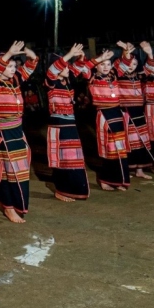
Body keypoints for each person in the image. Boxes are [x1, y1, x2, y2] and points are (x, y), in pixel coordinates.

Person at [0, 40, 40, 223]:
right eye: (9, 66)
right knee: (6, 171)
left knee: (20, 170)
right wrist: (8, 54)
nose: (13, 69)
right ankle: (8, 207)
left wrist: (30, 55)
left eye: (14, 66)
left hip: (17, 130)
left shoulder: (14, 80)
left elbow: (30, 66)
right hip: (3, 131)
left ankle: (16, 205)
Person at [44, 43, 92, 201]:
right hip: (59, 125)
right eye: (64, 66)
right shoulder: (50, 82)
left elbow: (80, 68)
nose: (67, 68)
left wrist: (82, 57)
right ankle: (61, 190)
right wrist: (70, 54)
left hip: (70, 124)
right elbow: (53, 71)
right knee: (62, 159)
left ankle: (74, 190)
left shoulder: (68, 81)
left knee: (74, 158)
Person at [88, 49, 132, 190]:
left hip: (117, 113)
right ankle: (105, 180)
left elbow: (125, 64)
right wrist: (98, 58)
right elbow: (84, 68)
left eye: (108, 64)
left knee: (120, 148)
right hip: (104, 115)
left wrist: (126, 51)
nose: (106, 67)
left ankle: (119, 181)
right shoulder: (91, 77)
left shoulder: (114, 75)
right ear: (96, 66)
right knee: (109, 149)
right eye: (102, 64)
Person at [117, 41, 154, 179]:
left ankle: (140, 170)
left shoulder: (139, 76)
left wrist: (149, 53)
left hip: (138, 111)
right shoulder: (118, 75)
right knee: (128, 141)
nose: (131, 66)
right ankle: (127, 169)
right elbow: (120, 65)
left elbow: (151, 68)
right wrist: (126, 53)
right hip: (125, 111)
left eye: (134, 64)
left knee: (141, 140)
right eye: (129, 63)